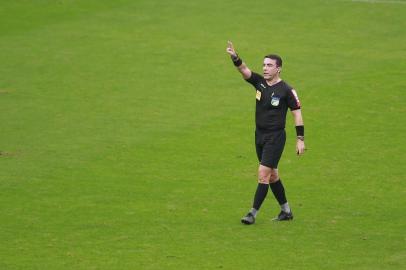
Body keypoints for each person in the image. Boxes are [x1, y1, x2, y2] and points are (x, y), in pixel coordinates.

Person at [226, 41, 305, 224]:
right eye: (264, 65)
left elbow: (297, 115)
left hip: (275, 137)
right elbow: (244, 70)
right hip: (259, 136)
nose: (265, 68)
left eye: (269, 65)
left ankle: (252, 214)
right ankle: (286, 211)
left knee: (263, 174)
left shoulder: (287, 90)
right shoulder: (260, 83)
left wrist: (300, 139)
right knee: (272, 175)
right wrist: (235, 57)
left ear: (279, 69)